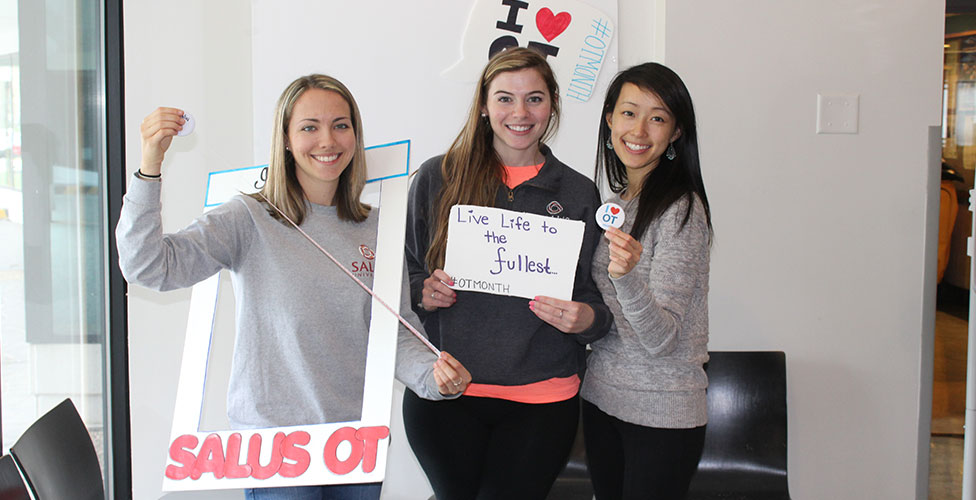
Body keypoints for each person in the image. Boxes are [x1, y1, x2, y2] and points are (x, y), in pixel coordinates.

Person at [116, 74, 472, 500]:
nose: (327, 140)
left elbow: (393, 329)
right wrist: (149, 166)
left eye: (341, 125)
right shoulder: (247, 217)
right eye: (309, 127)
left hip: (355, 446)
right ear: (285, 139)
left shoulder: (379, 228)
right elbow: (149, 267)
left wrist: (434, 376)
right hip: (276, 452)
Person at [402, 47, 613, 499]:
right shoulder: (438, 177)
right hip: (448, 390)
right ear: (483, 104)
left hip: (543, 399)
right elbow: (403, 276)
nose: (520, 113)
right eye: (505, 98)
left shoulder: (578, 193)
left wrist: (585, 321)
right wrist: (423, 291)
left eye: (534, 98)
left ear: (553, 103)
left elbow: (599, 304)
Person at [581, 62, 713, 500]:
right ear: (609, 120)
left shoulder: (681, 210)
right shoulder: (619, 204)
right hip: (601, 398)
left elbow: (662, 338)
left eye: (657, 117)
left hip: (661, 411)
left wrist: (628, 277)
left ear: (676, 132)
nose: (639, 129)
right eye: (628, 112)